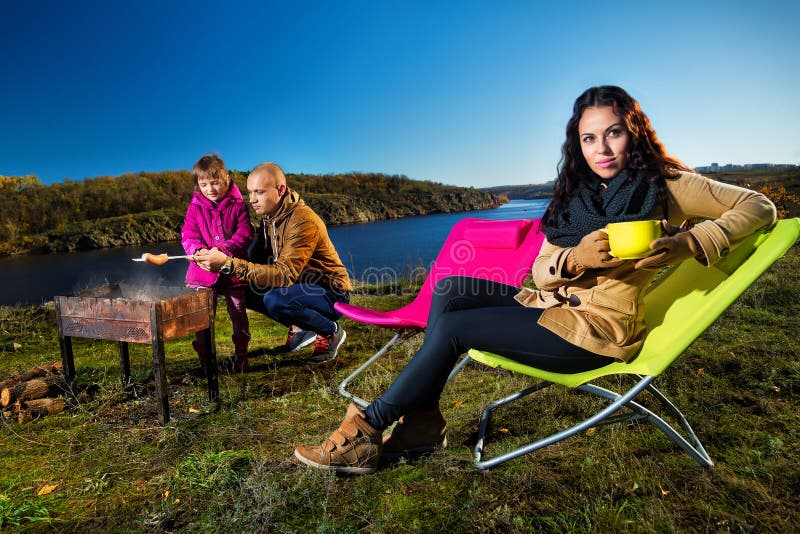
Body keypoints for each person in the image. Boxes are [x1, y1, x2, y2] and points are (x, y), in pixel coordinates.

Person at [292, 85, 778, 474]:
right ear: (577, 143)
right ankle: (422, 420)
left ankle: (369, 430)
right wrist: (577, 257)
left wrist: (688, 243)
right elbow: (540, 268)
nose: (602, 149)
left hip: (595, 330)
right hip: (548, 304)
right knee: (451, 288)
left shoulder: (664, 183)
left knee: (458, 329)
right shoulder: (576, 193)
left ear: (635, 131)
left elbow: (759, 206)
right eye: (589, 138)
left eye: (613, 134)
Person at [193, 162, 352, 363]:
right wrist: (218, 254)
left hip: (330, 290)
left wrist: (228, 264)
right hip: (300, 287)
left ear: (280, 190)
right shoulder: (269, 218)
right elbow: (256, 260)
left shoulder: (303, 221)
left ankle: (330, 331)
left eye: (259, 192)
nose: (252, 199)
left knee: (276, 300)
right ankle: (301, 327)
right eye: (250, 192)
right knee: (244, 289)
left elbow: (284, 275)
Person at [181, 154, 254, 373]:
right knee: (202, 317)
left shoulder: (239, 205)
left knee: (238, 312)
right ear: (198, 185)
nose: (210, 189)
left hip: (232, 268)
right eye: (204, 184)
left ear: (226, 179)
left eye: (215, 183)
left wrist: (222, 251)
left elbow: (245, 234)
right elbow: (188, 233)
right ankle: (206, 359)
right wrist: (197, 250)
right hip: (202, 270)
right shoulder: (194, 207)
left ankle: (241, 354)